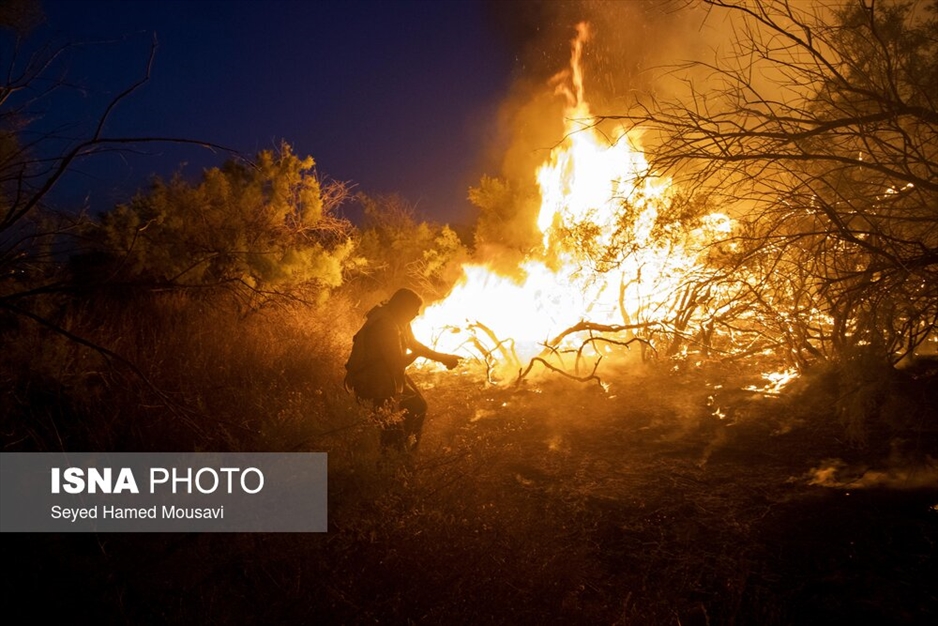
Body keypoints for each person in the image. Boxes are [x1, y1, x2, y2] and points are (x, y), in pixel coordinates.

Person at [344, 288, 460, 452]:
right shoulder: (385, 326)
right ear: (403, 307)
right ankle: (394, 456)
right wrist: (417, 355)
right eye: (415, 310)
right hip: (373, 380)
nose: (417, 314)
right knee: (390, 429)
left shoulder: (399, 319)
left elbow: (414, 344)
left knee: (418, 406)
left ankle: (406, 449)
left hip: (387, 373)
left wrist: (443, 357)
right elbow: (398, 362)